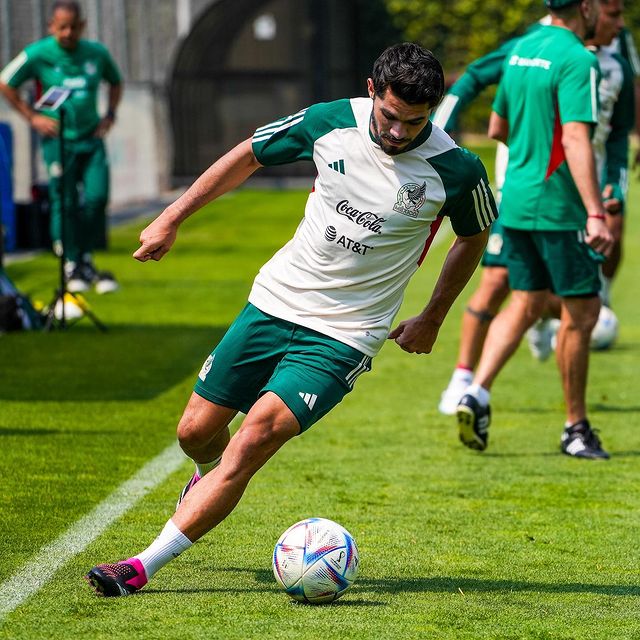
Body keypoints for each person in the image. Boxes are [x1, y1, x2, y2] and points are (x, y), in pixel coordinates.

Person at [83, 42, 497, 597]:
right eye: (390, 117)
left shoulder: (456, 169)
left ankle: (140, 566)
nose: (398, 133)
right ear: (372, 90)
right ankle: (208, 481)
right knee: (195, 433)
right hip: (274, 302)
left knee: (252, 438)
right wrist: (171, 217)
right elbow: (249, 154)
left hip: (345, 335)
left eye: (414, 123)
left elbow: (473, 236)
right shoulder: (329, 122)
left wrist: (433, 316)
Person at [435, 0, 633, 415]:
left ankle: (478, 390)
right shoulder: (572, 56)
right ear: (588, 8)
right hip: (563, 201)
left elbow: (497, 127)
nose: (618, 22)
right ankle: (572, 423)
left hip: (526, 193)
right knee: (578, 309)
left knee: (528, 297)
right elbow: (576, 139)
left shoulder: (537, 48)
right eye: (612, 13)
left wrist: (609, 183)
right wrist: (593, 207)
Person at [0, 0, 122, 294]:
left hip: (91, 140)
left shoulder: (96, 53)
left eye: (72, 27)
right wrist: (33, 117)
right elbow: (5, 82)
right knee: (64, 201)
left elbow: (115, 82)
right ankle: (70, 261)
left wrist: (109, 115)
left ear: (82, 26)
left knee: (96, 197)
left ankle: (85, 256)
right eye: (61, 27)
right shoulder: (38, 53)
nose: (67, 33)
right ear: (51, 27)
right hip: (58, 141)